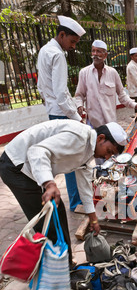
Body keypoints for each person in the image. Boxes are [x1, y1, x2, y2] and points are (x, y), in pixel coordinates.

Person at [0, 120, 128, 266]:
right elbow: (36, 151)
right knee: (47, 224)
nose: (106, 157)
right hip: (15, 165)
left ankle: (66, 262)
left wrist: (93, 218)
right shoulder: (79, 138)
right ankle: (55, 269)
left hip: (31, 168)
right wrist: (49, 183)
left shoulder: (88, 151)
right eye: (109, 151)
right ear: (101, 138)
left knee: (59, 211)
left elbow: (85, 186)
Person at [37, 15, 86, 213]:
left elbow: (42, 86)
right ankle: (76, 202)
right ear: (62, 34)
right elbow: (61, 92)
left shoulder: (44, 50)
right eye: (72, 41)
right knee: (72, 159)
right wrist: (77, 117)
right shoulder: (57, 54)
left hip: (53, 112)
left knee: (65, 158)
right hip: (61, 114)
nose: (73, 46)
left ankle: (74, 199)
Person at [75, 40, 137, 130]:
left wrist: (135, 105)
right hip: (93, 124)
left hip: (111, 123)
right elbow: (79, 95)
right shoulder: (84, 73)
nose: (95, 54)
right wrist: (79, 105)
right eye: (93, 51)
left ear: (105, 55)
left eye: (98, 51)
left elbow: (122, 95)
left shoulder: (112, 73)